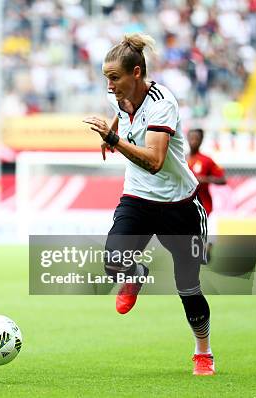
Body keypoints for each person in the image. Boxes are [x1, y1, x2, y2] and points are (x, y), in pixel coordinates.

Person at [83, 34, 214, 376]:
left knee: (188, 287)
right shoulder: (119, 97)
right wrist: (111, 135)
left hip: (178, 203)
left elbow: (155, 161)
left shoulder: (162, 103)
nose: (109, 86)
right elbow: (121, 120)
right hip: (138, 199)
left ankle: (203, 352)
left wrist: (114, 140)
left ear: (136, 73)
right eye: (106, 78)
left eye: (115, 78)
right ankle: (135, 274)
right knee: (114, 260)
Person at [187, 128, 226, 261]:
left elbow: (222, 179)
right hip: (185, 205)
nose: (193, 141)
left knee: (208, 229)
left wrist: (204, 179)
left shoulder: (207, 160)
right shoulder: (181, 159)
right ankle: (197, 252)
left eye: (196, 138)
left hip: (204, 204)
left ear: (201, 140)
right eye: (191, 138)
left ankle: (206, 249)